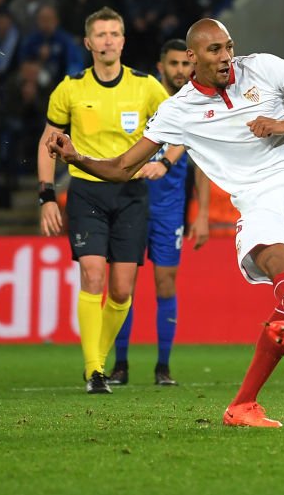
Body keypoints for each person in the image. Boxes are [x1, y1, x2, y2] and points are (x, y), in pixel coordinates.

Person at [46, 18, 284, 427]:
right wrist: (76, 157)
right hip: (255, 199)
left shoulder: (263, 67)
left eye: (228, 47)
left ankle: (246, 400)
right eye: (215, 51)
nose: (226, 57)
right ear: (192, 57)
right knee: (279, 264)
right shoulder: (178, 111)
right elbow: (122, 167)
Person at [37, 7, 168, 395]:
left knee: (122, 290)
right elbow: (48, 144)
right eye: (101, 34)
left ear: (123, 41)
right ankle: (95, 369)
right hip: (86, 191)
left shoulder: (147, 87)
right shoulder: (70, 88)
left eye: (114, 34)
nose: (108, 40)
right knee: (93, 274)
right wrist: (46, 195)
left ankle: (96, 356)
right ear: (88, 42)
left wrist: (162, 160)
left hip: (130, 193)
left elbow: (176, 130)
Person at [110, 39, 210, 387]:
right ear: (160, 66)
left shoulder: (196, 106)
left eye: (186, 64)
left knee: (165, 284)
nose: (180, 70)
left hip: (170, 213)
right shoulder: (142, 101)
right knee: (124, 287)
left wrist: (202, 214)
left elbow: (202, 164)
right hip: (131, 205)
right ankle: (120, 364)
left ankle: (162, 367)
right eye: (174, 64)